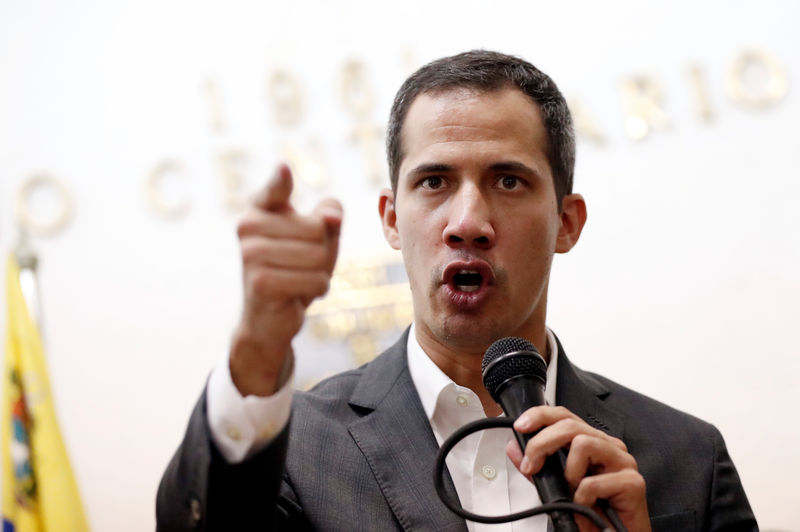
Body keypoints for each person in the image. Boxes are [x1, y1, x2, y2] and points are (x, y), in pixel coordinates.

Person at [156, 50, 757, 531]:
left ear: (567, 223)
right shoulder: (296, 450)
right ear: (392, 219)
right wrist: (258, 350)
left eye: (508, 180)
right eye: (435, 180)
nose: (468, 221)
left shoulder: (688, 459)